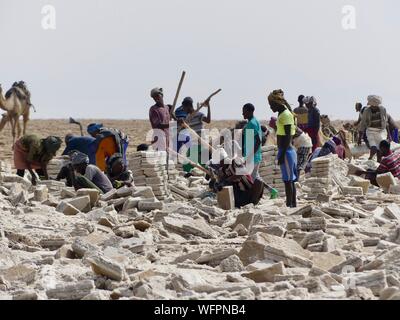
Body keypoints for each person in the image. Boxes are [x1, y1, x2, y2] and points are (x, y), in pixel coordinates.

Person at [268, 90, 297, 208]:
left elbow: (288, 136)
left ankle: (290, 205)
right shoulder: (282, 114)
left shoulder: (285, 114)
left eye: (271, 105)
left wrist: (282, 154)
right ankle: (291, 204)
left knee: (288, 181)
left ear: (276, 102)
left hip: (287, 152)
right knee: (288, 180)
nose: (270, 107)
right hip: (284, 151)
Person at [359, 95, 390, 162]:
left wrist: (389, 135)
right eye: (372, 106)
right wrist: (359, 138)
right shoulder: (366, 111)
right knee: (373, 148)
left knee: (380, 149)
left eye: (375, 106)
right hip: (370, 131)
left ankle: (379, 163)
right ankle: (370, 159)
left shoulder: (383, 109)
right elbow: (362, 124)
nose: (374, 107)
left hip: (381, 131)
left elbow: (386, 122)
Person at [242, 103, 262, 182]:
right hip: (254, 156)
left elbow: (258, 141)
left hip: (252, 158)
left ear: (250, 111)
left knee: (252, 180)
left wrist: (249, 156)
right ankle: (271, 191)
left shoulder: (252, 124)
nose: (242, 113)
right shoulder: (254, 121)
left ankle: (271, 191)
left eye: (244, 111)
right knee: (255, 178)